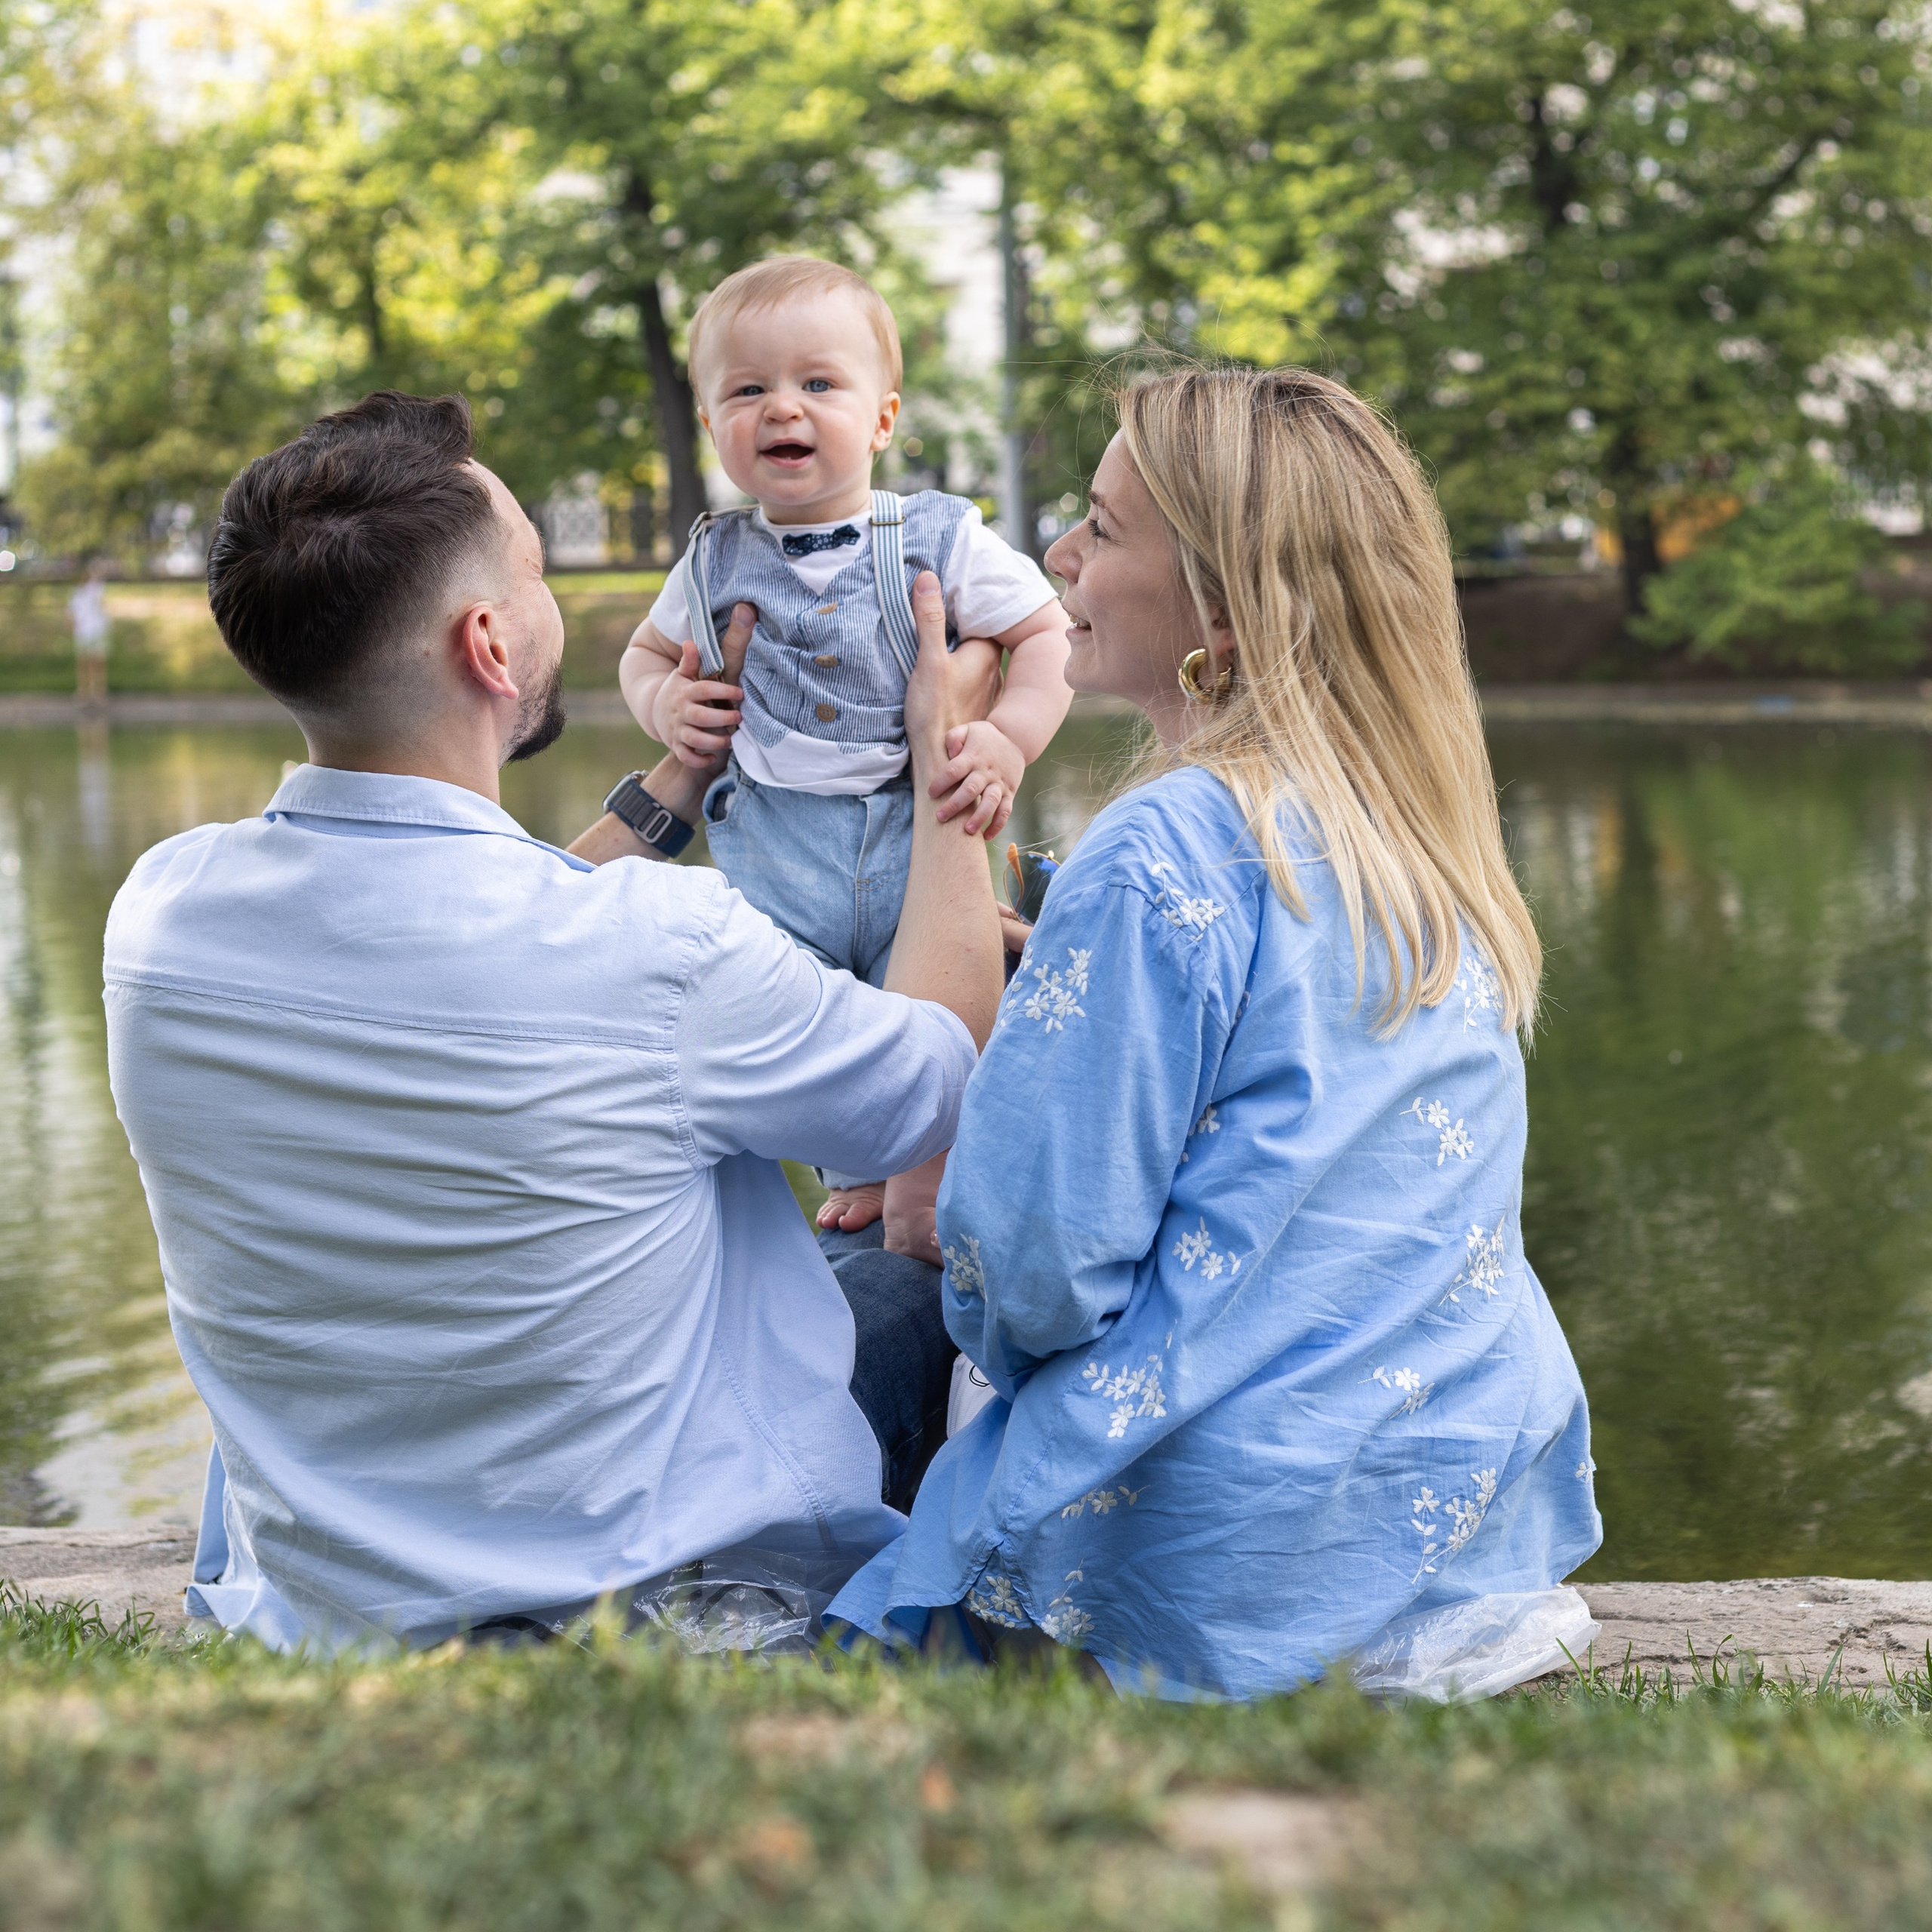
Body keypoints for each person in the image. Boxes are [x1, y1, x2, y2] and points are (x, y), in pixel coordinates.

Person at [102, 391, 1004, 1653]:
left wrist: (674, 786)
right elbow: (943, 1073)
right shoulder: (667, 950)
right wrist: (941, 754)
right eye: (532, 573)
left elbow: (475, 924)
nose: (551, 604)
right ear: (490, 642)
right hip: (660, 1609)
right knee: (900, 1274)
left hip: (330, 1609)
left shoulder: (161, 915)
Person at [828, 367, 1604, 1701]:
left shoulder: (1163, 846)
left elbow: (1031, 1271)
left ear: (1224, 615)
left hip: (1227, 1542)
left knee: (855, 1303)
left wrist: (945, 1195)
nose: (1060, 556)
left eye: (1103, 528)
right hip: (1452, 1485)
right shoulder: (1421, 840)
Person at [620, 257, 1072, 1242]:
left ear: (882, 418)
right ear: (711, 426)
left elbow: (1044, 635)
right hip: (777, 857)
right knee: (806, 1035)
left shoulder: (938, 539)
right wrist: (668, 709)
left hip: (914, 834)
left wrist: (1005, 735)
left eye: (818, 384)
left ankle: (936, 1183)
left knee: (948, 1024)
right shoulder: (711, 557)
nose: (783, 407)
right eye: (749, 390)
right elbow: (644, 656)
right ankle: (862, 1171)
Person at [69, 558, 110, 704]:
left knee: (98, 662)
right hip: (83, 632)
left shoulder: (97, 589)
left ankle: (99, 691)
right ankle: (84, 691)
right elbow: (71, 613)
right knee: (84, 662)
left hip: (96, 631)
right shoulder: (77, 593)